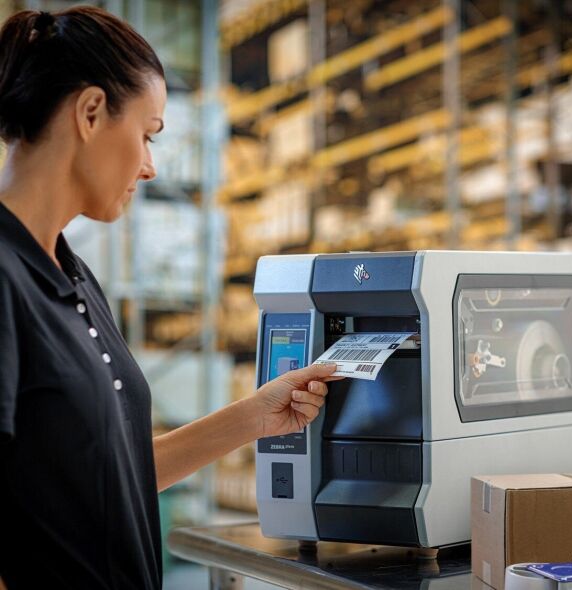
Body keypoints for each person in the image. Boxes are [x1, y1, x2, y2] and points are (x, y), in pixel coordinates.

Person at [0, 7, 338, 589]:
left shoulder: (73, 275)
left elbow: (111, 480)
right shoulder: (4, 276)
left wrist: (253, 416)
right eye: (148, 134)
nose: (151, 166)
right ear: (90, 112)